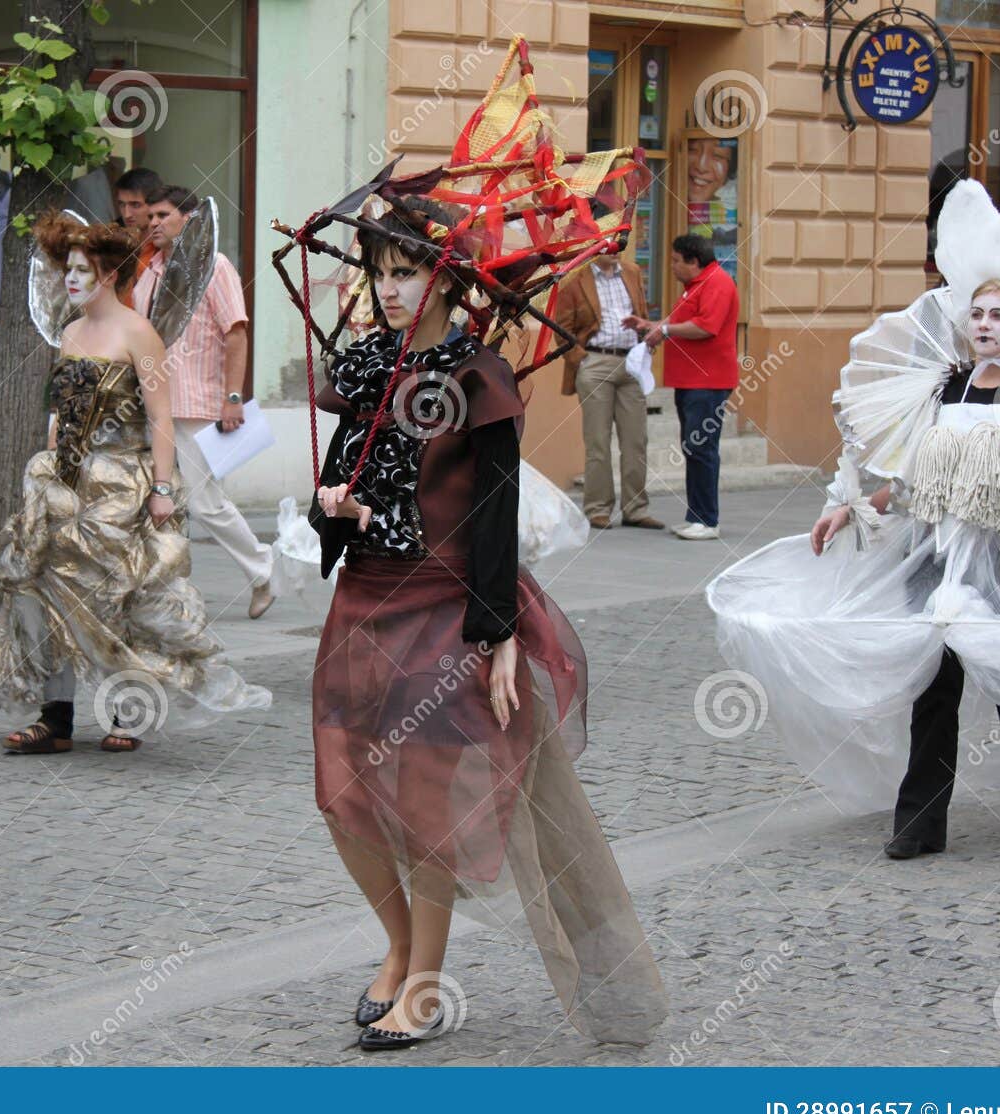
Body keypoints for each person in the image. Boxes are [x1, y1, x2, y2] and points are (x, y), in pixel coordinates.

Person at [306, 199, 665, 1051]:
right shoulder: (363, 367)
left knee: (427, 799)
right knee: (341, 793)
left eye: (407, 271)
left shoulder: (478, 376)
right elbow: (336, 493)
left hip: (442, 607)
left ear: (447, 278)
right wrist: (332, 509)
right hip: (363, 602)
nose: (391, 289)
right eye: (380, 272)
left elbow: (495, 513)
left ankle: (424, 988)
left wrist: (497, 631)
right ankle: (396, 945)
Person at [708, 180, 1000, 858]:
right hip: (935, 552)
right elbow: (911, 479)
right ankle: (919, 821)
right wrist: (853, 506)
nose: (987, 324)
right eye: (979, 314)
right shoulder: (941, 388)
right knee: (932, 682)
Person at [0, 213, 268, 754]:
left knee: (117, 600)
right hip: (65, 483)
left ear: (108, 275)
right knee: (50, 592)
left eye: (82, 270)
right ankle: (55, 720)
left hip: (121, 484)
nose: (71, 279)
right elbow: (62, 411)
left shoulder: (141, 334)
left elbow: (161, 417)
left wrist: (161, 489)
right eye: (68, 269)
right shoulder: (68, 332)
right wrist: (50, 464)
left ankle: (125, 716)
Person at [134, 185, 275, 618]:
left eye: (163, 215)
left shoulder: (214, 266)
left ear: (189, 219)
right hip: (152, 403)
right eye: (150, 216)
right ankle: (162, 589)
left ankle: (262, 570)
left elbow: (236, 333)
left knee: (204, 502)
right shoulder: (150, 271)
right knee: (154, 498)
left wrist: (233, 397)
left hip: (197, 404)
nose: (154, 222)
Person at [624, 233, 739, 540]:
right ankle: (696, 516)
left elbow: (706, 327)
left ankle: (707, 520)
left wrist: (665, 330)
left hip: (708, 380)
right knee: (693, 447)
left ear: (694, 261)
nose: (672, 266)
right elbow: (683, 320)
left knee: (701, 448)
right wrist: (651, 326)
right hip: (691, 380)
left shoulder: (717, 283)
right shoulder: (696, 287)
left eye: (676, 260)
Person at [554, 251, 663, 529]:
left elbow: (642, 313)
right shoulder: (574, 279)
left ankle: (636, 508)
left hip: (631, 362)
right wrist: (582, 360)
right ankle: (598, 509)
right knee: (598, 442)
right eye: (610, 245)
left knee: (636, 440)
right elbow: (561, 328)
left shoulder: (632, 272)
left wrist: (645, 340)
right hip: (596, 361)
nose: (616, 251)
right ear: (596, 246)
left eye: (618, 246)